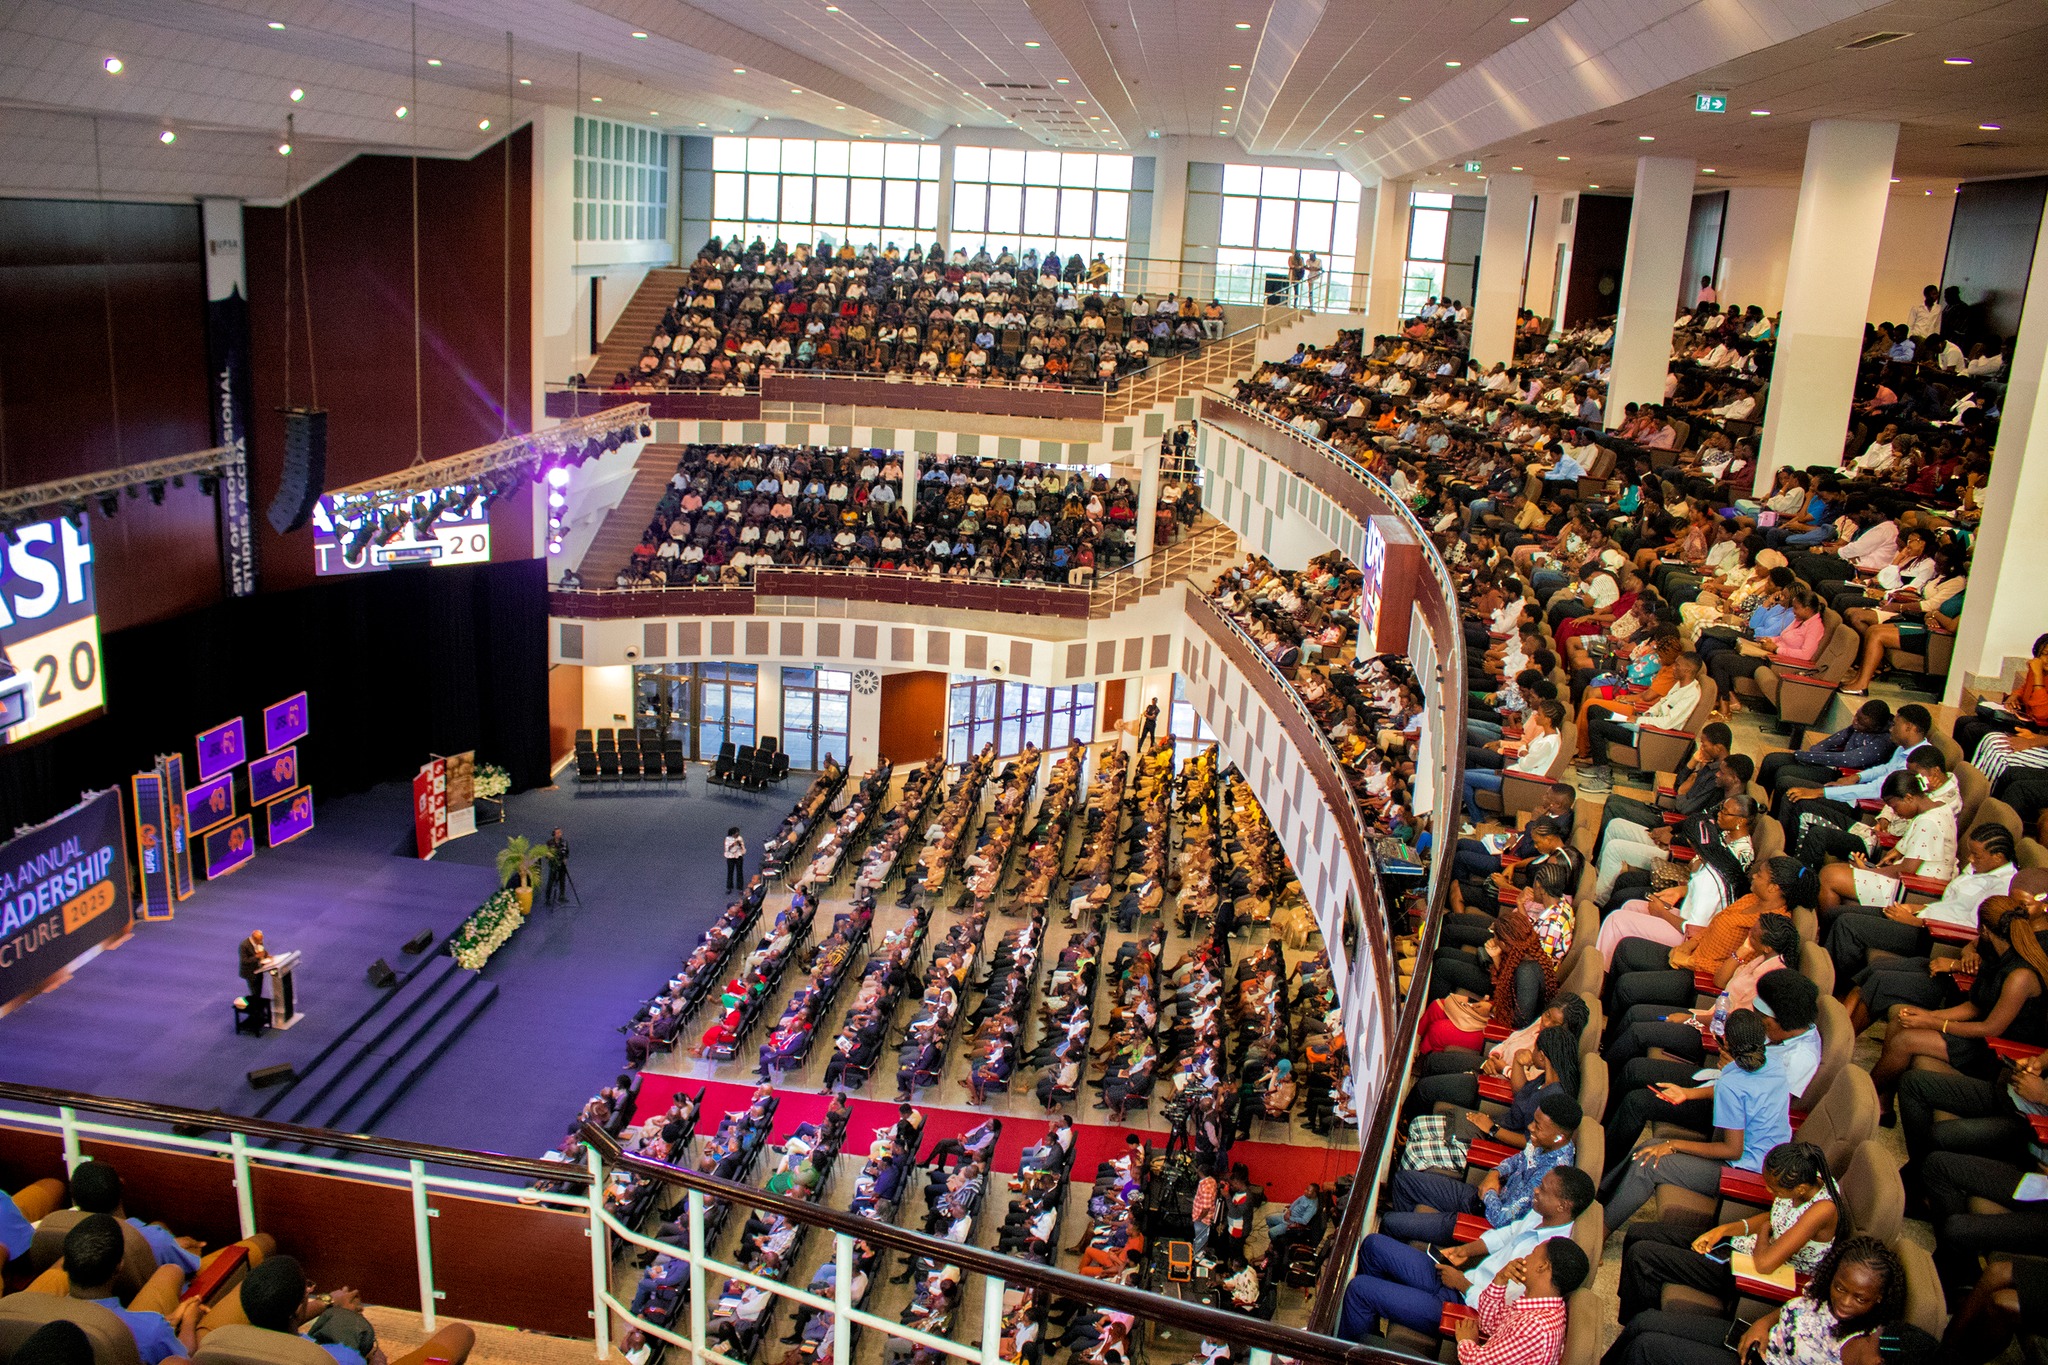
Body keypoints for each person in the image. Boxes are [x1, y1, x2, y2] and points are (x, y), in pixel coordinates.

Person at [1335, 1166, 1595, 1339]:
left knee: (1360, 1290)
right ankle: (1367, 1332)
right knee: (1373, 1245)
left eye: (1544, 1189)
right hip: (1462, 1278)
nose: (1535, 1190)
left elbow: (1502, 1312)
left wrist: (1463, 1285)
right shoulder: (1540, 1215)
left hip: (1466, 1309)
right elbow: (1505, 1234)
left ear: (1563, 1205)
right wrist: (1465, 1250)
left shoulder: (1547, 1260)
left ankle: (1352, 1351)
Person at [1601, 1235, 1912, 1365]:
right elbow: (1794, 1308)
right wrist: (1762, 1323)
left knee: (1647, 1347)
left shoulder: (1866, 1346)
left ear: (1879, 1298)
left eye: (1860, 1298)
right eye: (1840, 1288)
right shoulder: (1824, 1291)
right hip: (1755, 1336)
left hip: (1760, 1361)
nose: (1844, 1301)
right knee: (1644, 1322)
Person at [56, 1215, 198, 1364]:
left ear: (65, 1265)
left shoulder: (43, 1311)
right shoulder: (151, 1329)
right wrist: (190, 1321)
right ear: (120, 1266)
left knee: (170, 1271)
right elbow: (185, 1358)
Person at [1452, 1238, 1590, 1365]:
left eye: (1532, 1253)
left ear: (1542, 1266)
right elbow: (1489, 1323)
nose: (1526, 1257)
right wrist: (1501, 1279)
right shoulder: (1540, 1308)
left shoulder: (1534, 1327)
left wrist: (1467, 1341)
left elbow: (1476, 1363)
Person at [239, 928, 267, 1000]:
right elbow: (244, 960)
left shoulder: (259, 941)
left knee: (259, 990)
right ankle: (255, 1004)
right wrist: (256, 957)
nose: (261, 942)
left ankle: (258, 1002)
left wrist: (267, 955)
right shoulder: (244, 945)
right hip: (250, 972)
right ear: (254, 938)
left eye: (261, 939)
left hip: (259, 970)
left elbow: (262, 950)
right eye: (259, 940)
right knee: (254, 991)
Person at [545, 827, 570, 906]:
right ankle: (548, 899)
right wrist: (549, 856)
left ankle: (562, 896)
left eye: (560, 832)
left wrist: (565, 858)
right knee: (551, 882)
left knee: (562, 880)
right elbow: (546, 853)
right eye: (558, 833)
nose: (560, 834)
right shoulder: (549, 843)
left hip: (562, 865)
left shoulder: (564, 842)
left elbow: (567, 852)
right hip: (553, 864)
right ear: (554, 834)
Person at [724, 826, 747, 892]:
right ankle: (729, 887)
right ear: (732, 834)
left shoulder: (740, 838)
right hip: (730, 857)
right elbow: (727, 849)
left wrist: (740, 845)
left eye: (738, 833)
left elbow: (743, 848)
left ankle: (740, 888)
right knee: (730, 872)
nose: (737, 835)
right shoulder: (727, 839)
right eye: (736, 834)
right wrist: (733, 844)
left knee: (739, 872)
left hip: (738, 856)